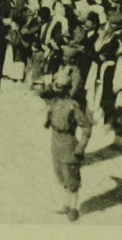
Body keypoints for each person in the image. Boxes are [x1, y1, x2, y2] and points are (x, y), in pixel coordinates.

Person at [39, 69, 92, 222]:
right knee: (61, 176)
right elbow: (43, 94)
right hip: (55, 142)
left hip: (69, 143)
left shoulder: (73, 106)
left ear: (67, 88)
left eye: (60, 87)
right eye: (56, 86)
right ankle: (66, 204)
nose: (56, 89)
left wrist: (81, 147)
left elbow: (87, 127)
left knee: (72, 178)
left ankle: (74, 207)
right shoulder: (55, 102)